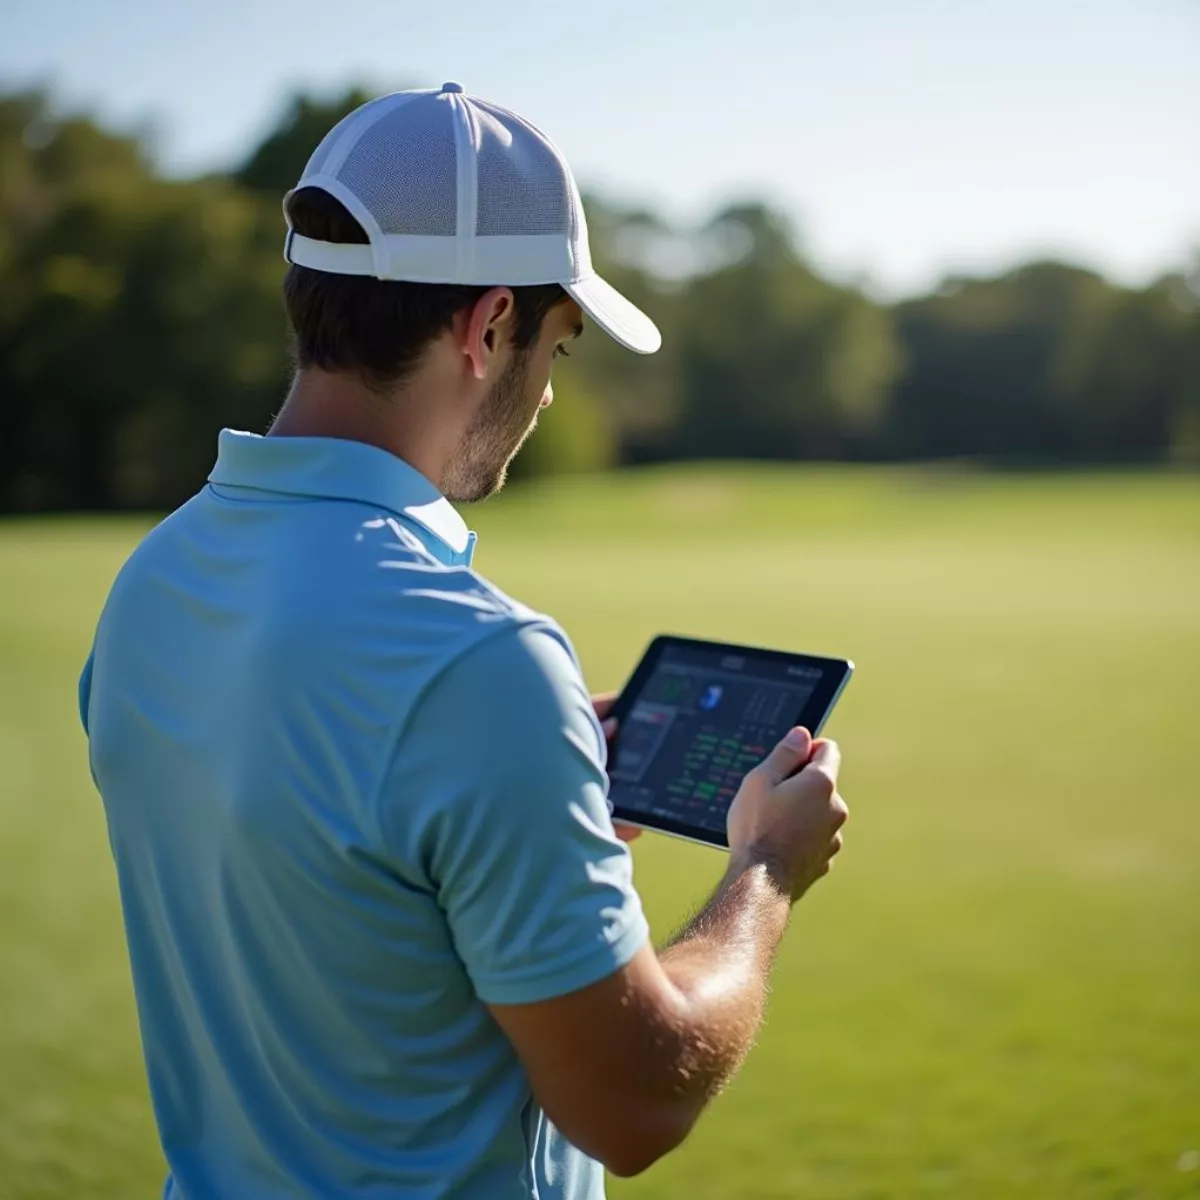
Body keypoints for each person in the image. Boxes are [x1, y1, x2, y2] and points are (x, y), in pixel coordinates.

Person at [78, 84, 848, 1200]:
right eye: (561, 347)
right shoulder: (480, 665)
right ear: (490, 328)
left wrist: (530, 806)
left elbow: (340, 910)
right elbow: (634, 1099)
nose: (544, 395)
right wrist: (766, 873)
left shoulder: (156, 577)